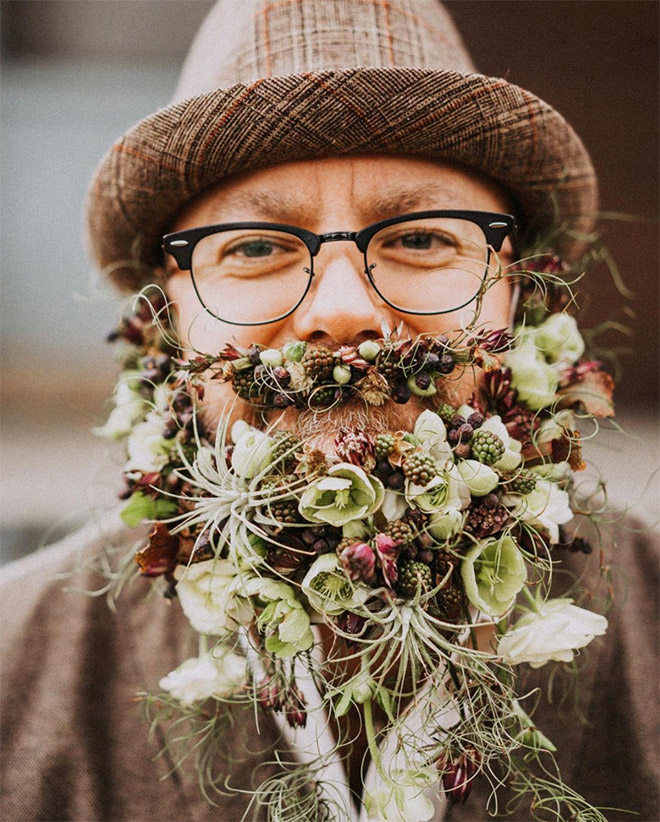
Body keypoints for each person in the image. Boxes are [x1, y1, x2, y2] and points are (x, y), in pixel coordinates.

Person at [1, 2, 657, 821]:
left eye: (422, 239)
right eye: (254, 247)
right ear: (164, 324)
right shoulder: (12, 672)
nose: (343, 311)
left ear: (517, 296)